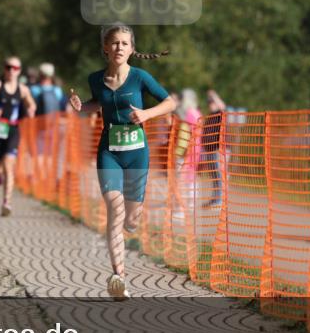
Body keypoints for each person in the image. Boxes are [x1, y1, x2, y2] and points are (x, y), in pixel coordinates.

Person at [68, 24, 176, 300]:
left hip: (137, 154)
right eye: (114, 43)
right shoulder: (95, 79)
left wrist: (147, 114)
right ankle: (119, 276)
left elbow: (170, 102)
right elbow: (97, 104)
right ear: (105, 48)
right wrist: (83, 108)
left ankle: (131, 224)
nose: (119, 48)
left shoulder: (140, 77)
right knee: (115, 209)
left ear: (132, 49)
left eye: (124, 44)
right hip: (109, 153)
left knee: (131, 218)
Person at [0, 56, 36, 216]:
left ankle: (6, 202)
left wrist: (31, 110)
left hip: (13, 130)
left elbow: (31, 104)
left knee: (9, 165)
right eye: (8, 67)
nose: (11, 71)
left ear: (19, 71)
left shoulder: (22, 89)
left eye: (15, 68)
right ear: (4, 68)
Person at [200, 90, 226, 208]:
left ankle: (219, 199)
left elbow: (222, 106)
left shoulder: (220, 114)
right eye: (209, 102)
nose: (210, 104)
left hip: (216, 149)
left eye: (212, 102)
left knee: (218, 175)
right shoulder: (210, 116)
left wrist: (214, 95)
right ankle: (215, 198)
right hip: (208, 149)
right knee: (213, 175)